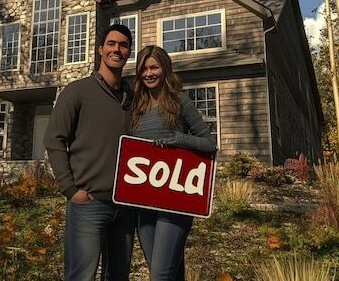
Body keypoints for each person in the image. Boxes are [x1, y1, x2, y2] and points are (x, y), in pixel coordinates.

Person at [43, 24, 135, 281]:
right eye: (111, 43)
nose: (117, 49)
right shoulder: (78, 91)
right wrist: (71, 191)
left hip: (126, 204)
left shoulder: (133, 97)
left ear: (129, 52)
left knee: (118, 276)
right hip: (89, 203)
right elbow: (53, 139)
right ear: (100, 50)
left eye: (123, 45)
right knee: (81, 276)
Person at [130, 45, 216, 281]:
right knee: (170, 273)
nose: (149, 73)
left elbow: (209, 144)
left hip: (174, 201)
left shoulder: (180, 101)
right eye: (144, 69)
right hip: (143, 202)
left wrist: (178, 139)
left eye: (154, 67)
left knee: (160, 275)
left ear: (165, 69)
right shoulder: (136, 108)